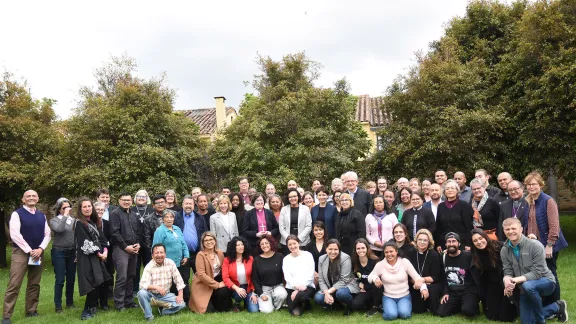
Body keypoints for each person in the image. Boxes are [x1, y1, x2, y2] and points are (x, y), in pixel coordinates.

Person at [501, 218, 568, 323]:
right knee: (527, 321)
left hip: (546, 281)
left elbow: (538, 272)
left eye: (513, 228)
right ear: (504, 231)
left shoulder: (535, 245)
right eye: (507, 229)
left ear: (521, 229)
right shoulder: (504, 250)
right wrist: (507, 281)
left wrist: (514, 280)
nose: (510, 231)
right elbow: (507, 270)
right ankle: (557, 307)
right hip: (524, 287)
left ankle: (541, 321)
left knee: (528, 285)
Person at [3, 190, 51, 324]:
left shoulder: (42, 216)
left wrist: (40, 249)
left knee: (34, 284)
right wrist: (30, 250)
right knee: (14, 284)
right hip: (21, 253)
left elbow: (47, 234)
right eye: (28, 196)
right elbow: (15, 234)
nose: (31, 198)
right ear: (23, 200)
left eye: (34, 196)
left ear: (38, 198)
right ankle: (6, 316)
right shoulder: (17, 214)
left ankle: (31, 311)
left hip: (38, 253)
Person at [522, 171, 568, 305]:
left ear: (540, 185)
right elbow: (527, 223)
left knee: (550, 274)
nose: (531, 187)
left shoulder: (548, 201)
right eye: (528, 185)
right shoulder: (528, 201)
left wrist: (549, 245)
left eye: (534, 184)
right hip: (533, 245)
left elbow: (554, 226)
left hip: (548, 245)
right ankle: (545, 302)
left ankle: (557, 305)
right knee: (539, 274)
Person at [368, 241, 428, 320]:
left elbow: (416, 277)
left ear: (396, 251)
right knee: (391, 316)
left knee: (405, 315)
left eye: (391, 251)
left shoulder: (404, 262)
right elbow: (370, 277)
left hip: (404, 296)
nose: (389, 254)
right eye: (386, 252)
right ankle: (386, 308)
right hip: (388, 296)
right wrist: (375, 278)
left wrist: (423, 288)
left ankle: (394, 308)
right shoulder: (380, 264)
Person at [74, 197, 111, 320]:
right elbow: (85, 242)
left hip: (97, 256)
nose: (87, 208)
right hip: (86, 257)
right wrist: (98, 253)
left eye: (89, 206)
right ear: (80, 209)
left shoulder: (95, 222)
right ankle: (86, 311)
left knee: (99, 281)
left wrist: (105, 251)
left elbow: (103, 239)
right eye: (84, 206)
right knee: (91, 282)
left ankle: (93, 306)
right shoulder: (79, 223)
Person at [470, 228, 516, 322]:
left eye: (480, 238)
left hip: (505, 282)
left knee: (506, 317)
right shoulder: (475, 254)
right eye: (475, 241)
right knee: (491, 316)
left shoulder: (500, 246)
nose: (479, 242)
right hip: (491, 286)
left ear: (485, 237)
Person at [137, 243, 186, 321]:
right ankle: (149, 317)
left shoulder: (170, 263)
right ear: (152, 255)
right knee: (141, 293)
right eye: (156, 253)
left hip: (165, 295)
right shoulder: (149, 266)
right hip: (151, 295)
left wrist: (180, 295)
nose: (159, 255)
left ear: (165, 254)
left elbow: (179, 280)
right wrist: (156, 287)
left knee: (182, 304)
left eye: (161, 252)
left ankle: (163, 311)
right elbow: (142, 284)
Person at [109, 192, 141, 311]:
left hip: (133, 248)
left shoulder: (134, 215)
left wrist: (138, 244)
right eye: (124, 200)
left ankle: (128, 301)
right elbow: (114, 233)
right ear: (119, 200)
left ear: (131, 201)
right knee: (122, 277)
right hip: (121, 249)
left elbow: (137, 232)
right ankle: (119, 303)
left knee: (131, 276)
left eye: (128, 200)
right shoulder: (115, 214)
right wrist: (125, 246)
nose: (126, 202)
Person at [436, 232, 479, 318]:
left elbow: (476, 276)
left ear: (459, 243)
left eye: (454, 241)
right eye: (449, 241)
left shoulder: (468, 256)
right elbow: (443, 278)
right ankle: (460, 305)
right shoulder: (443, 257)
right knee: (441, 313)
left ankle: (469, 304)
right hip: (453, 293)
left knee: (468, 311)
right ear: (445, 244)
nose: (451, 244)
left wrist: (475, 293)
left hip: (467, 291)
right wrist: (445, 293)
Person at [189, 232, 232, 313]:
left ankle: (217, 302)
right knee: (208, 311)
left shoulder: (219, 252)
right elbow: (201, 274)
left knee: (225, 294)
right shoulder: (200, 255)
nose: (209, 242)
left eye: (211, 239)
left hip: (217, 279)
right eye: (206, 241)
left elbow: (224, 268)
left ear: (215, 241)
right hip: (203, 284)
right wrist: (217, 285)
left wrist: (225, 281)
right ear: (203, 243)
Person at [314, 239, 359, 316]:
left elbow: (343, 280)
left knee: (341, 293)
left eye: (336, 249)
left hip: (346, 285)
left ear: (339, 250)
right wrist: (326, 293)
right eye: (330, 249)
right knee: (318, 298)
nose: (333, 252)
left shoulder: (345, 258)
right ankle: (338, 305)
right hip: (330, 286)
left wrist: (328, 292)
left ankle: (350, 305)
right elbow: (321, 279)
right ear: (326, 249)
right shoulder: (322, 258)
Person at [174, 195, 207, 299]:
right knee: (184, 278)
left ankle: (200, 298)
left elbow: (205, 234)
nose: (188, 206)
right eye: (186, 203)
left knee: (200, 276)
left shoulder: (199, 217)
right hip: (182, 254)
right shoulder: (176, 217)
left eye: (190, 204)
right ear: (182, 205)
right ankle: (186, 300)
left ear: (194, 205)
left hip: (197, 253)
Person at [152, 210, 189, 298]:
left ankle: (185, 300)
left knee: (183, 280)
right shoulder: (160, 231)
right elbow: (156, 246)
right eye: (167, 217)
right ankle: (171, 300)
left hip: (180, 260)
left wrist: (186, 255)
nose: (169, 219)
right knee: (171, 283)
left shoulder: (177, 229)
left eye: (171, 217)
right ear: (163, 219)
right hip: (167, 262)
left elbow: (183, 243)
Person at [49, 198, 77, 313]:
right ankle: (58, 306)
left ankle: (70, 303)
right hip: (59, 252)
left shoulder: (75, 221)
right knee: (60, 280)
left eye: (68, 207)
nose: (67, 209)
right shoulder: (54, 220)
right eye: (64, 208)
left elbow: (77, 237)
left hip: (72, 252)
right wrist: (65, 216)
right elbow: (59, 230)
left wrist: (77, 253)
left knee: (71, 279)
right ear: (59, 209)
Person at [407, 229, 443, 314]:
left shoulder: (433, 254)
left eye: (425, 240)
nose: (422, 242)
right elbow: (408, 276)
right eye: (420, 239)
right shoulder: (411, 253)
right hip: (415, 283)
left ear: (429, 242)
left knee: (433, 290)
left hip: (432, 283)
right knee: (417, 310)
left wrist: (422, 280)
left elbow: (436, 277)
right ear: (416, 240)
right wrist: (421, 285)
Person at [435, 180, 474, 252]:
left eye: (452, 188)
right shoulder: (441, 206)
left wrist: (468, 244)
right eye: (447, 188)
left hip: (461, 243)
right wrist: (438, 244)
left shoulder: (463, 205)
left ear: (457, 190)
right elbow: (438, 227)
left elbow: (468, 226)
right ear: (444, 192)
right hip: (444, 243)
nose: (450, 190)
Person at [251, 235, 288, 313]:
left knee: (281, 295)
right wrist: (260, 294)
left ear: (271, 243)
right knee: (267, 311)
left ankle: (276, 305)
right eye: (262, 244)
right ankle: (269, 304)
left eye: (266, 243)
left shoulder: (280, 256)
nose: (264, 245)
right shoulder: (257, 260)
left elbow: (285, 274)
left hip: (278, 286)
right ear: (259, 246)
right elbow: (255, 279)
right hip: (264, 289)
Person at [222, 237, 259, 312]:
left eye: (242, 244)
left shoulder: (250, 259)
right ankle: (237, 303)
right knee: (239, 294)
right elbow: (225, 278)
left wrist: (254, 292)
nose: (241, 247)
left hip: (248, 288)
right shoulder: (227, 260)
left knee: (254, 311)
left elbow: (254, 276)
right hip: (235, 287)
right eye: (238, 245)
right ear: (233, 247)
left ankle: (246, 301)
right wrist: (237, 288)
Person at [282, 235, 316, 316]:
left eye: (294, 243)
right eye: (290, 244)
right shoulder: (286, 259)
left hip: (307, 287)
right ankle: (303, 305)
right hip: (292, 288)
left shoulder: (308, 255)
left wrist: (298, 289)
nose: (292, 246)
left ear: (299, 243)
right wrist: (296, 287)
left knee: (301, 295)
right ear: (287, 246)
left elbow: (310, 274)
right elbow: (287, 277)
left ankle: (304, 302)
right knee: (295, 313)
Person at [350, 238, 383, 317]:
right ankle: (371, 304)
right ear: (355, 250)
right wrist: (359, 284)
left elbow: (379, 281)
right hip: (365, 290)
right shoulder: (354, 261)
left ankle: (375, 306)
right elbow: (355, 277)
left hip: (376, 289)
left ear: (367, 248)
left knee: (376, 285)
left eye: (363, 248)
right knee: (356, 304)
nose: (360, 250)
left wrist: (365, 286)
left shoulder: (375, 260)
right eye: (358, 248)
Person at [131, 190, 154, 294]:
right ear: (135, 198)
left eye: (143, 196)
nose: (141, 198)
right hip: (135, 243)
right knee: (135, 267)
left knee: (149, 267)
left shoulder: (151, 210)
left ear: (147, 198)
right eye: (139, 196)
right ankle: (135, 289)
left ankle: (149, 288)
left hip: (148, 243)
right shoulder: (130, 210)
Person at [279, 189, 312, 253]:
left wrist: (298, 239)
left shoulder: (305, 209)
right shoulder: (284, 209)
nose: (293, 198)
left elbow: (308, 226)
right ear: (288, 198)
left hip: (302, 242)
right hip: (287, 243)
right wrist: (289, 239)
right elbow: (281, 227)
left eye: (294, 196)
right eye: (290, 197)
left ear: (298, 197)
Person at [94, 202, 113, 311]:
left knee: (107, 277)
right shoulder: (90, 223)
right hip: (95, 254)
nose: (100, 211)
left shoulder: (107, 223)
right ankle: (94, 302)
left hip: (107, 254)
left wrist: (106, 249)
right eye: (98, 209)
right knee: (96, 279)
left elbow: (110, 237)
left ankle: (104, 302)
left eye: (102, 210)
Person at [143, 195, 168, 259]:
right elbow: (147, 239)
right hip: (157, 251)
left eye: (162, 202)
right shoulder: (148, 220)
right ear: (153, 206)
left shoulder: (174, 215)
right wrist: (153, 252)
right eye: (157, 203)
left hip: (172, 249)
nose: (160, 204)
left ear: (166, 203)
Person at [305, 221, 327, 287]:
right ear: (313, 231)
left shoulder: (329, 244)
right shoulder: (309, 246)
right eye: (316, 230)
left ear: (324, 231)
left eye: (320, 230)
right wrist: (314, 273)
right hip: (313, 275)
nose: (318, 232)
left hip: (327, 274)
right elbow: (306, 262)